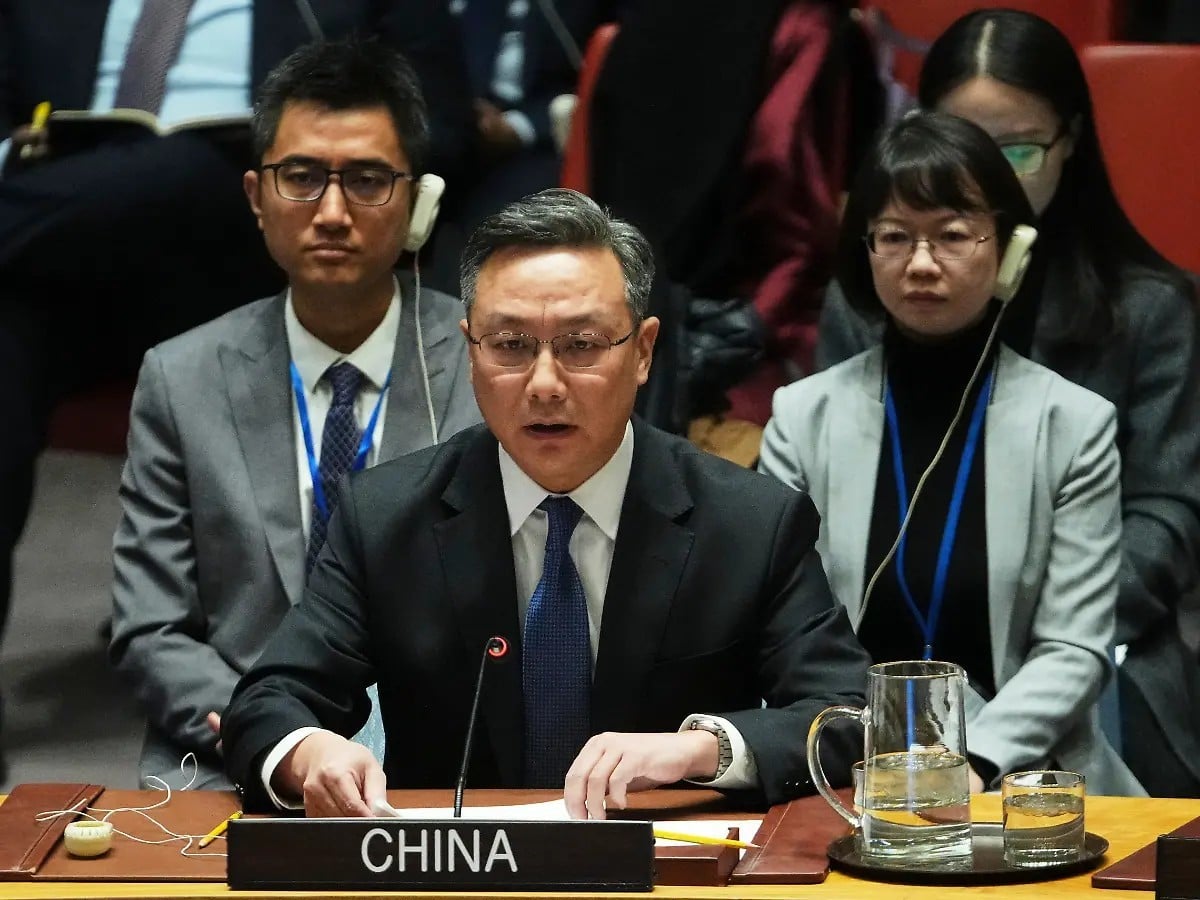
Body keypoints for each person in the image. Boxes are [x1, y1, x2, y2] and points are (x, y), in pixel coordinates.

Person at [220, 187, 871, 817]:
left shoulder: (749, 523)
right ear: (470, 351)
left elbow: (849, 715)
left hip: (667, 867)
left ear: (643, 352)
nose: (544, 384)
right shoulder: (387, 516)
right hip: (455, 870)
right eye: (510, 346)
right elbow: (270, 699)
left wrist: (703, 748)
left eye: (581, 345)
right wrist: (310, 754)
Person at [0, 0, 475, 776]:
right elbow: (152, 628)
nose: (332, 213)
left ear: (417, 202)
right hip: (230, 752)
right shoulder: (181, 377)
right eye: (302, 179)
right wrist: (279, 741)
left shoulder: (485, 363)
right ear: (256, 197)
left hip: (441, 769)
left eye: (366, 180)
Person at [816, 8, 1200, 798]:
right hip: (884, 664)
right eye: (964, 141)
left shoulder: (1149, 308)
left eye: (1017, 150)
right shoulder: (867, 301)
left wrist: (1047, 631)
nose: (987, 175)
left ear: (1069, 141)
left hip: (1095, 636)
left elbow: (1169, 513)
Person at [762, 111, 1144, 796]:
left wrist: (972, 764)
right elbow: (789, 633)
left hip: (1030, 781)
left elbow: (1074, 648)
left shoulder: (1073, 425)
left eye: (953, 236)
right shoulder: (800, 418)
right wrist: (876, 764)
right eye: (894, 237)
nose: (921, 264)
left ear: (1011, 250)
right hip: (849, 777)